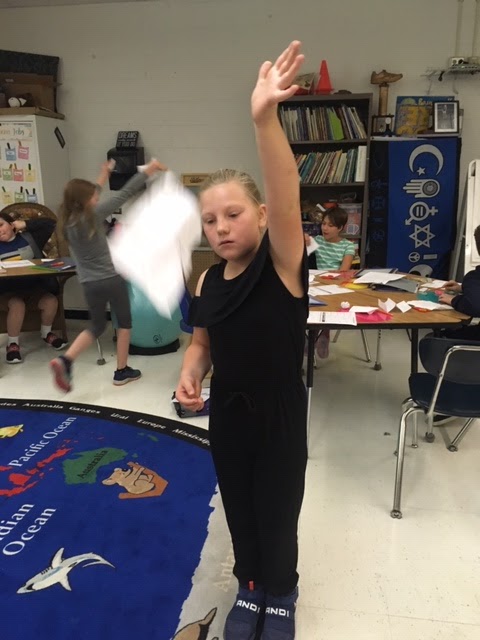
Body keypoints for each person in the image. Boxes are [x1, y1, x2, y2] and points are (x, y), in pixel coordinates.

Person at [175, 42, 307, 640]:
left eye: (233, 214)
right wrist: (191, 371)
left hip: (279, 411)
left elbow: (287, 189)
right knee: (239, 505)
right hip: (228, 411)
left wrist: (264, 119)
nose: (221, 227)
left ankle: (282, 590)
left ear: (261, 215)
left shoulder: (281, 264)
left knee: (277, 509)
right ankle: (250, 584)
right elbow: (202, 343)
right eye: (210, 220)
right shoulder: (207, 279)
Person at [49, 158, 167, 392]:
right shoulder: (93, 215)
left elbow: (94, 192)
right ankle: (122, 371)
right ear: (84, 201)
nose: (96, 198)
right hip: (111, 280)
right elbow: (125, 193)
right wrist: (149, 171)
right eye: (92, 197)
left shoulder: (67, 222)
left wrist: (104, 173)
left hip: (89, 283)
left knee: (96, 325)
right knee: (124, 324)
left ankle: (66, 359)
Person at [0, 211, 67, 363]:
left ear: (11, 224)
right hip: (7, 292)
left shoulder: (30, 238)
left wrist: (24, 224)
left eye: (1, 225)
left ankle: (46, 333)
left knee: (51, 301)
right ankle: (12, 344)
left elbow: (50, 224)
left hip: (34, 288)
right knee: (17, 305)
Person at [304, 206, 356, 358]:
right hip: (315, 284)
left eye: (330, 225)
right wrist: (304, 239)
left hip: (336, 285)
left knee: (328, 303)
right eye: (324, 224)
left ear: (340, 228)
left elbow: (344, 271)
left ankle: (323, 334)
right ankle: (311, 335)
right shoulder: (317, 240)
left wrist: (330, 279)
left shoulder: (348, 246)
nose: (325, 228)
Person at [437, 224, 480, 341]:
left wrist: (453, 300)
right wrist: (463, 288)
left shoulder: (474, 277)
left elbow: (475, 306)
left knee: (433, 339)